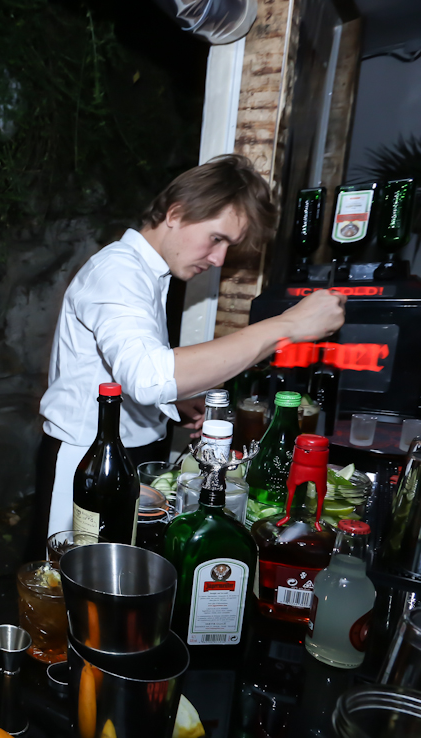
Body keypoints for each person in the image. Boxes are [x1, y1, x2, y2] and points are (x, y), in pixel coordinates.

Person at [27, 154, 346, 558]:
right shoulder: (119, 272)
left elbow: (124, 368)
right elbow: (149, 377)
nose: (219, 259)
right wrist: (287, 325)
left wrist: (173, 400)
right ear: (176, 213)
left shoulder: (148, 273)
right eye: (216, 238)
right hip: (88, 463)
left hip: (125, 456)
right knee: (64, 583)